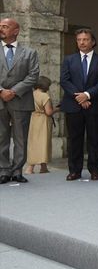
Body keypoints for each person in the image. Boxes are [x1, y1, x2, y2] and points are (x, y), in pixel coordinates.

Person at [60, 28, 98, 181]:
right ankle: (74, 171)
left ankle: (95, 170)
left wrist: (87, 95)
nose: (82, 42)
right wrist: (80, 97)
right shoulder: (69, 60)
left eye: (85, 39)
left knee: (95, 139)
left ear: (93, 42)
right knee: (74, 139)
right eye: (79, 40)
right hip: (73, 105)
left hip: (94, 105)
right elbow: (64, 80)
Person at [0, 17, 40, 184]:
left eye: (5, 26)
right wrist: (2, 91)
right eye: (0, 26)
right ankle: (3, 170)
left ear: (16, 31)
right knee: (1, 136)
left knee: (20, 137)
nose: (1, 29)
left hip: (21, 100)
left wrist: (14, 91)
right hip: (0, 99)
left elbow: (33, 76)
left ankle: (17, 170)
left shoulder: (30, 53)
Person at [25, 76, 55, 175]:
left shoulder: (31, 94)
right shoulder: (45, 96)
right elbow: (48, 112)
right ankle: (32, 168)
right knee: (43, 142)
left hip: (33, 119)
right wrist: (58, 109)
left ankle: (42, 166)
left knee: (33, 143)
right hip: (43, 121)